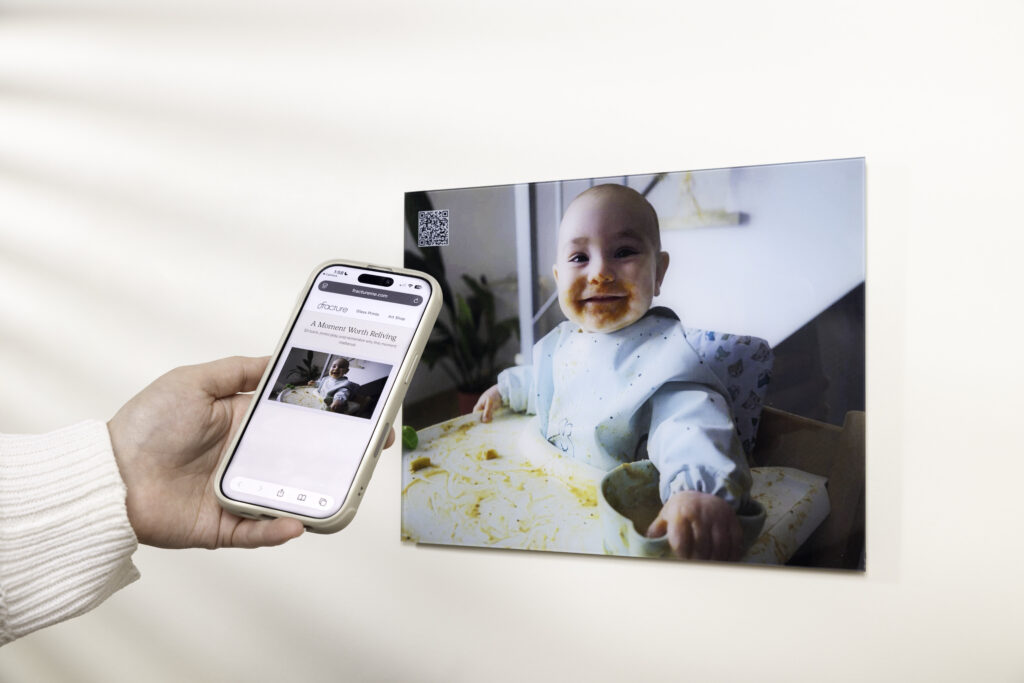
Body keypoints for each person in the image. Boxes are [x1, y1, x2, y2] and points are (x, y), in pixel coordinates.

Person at [0, 355, 393, 646]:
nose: (338, 371)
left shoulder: (343, 387)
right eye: (336, 367)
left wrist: (122, 472)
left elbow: (341, 399)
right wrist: (124, 469)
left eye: (342, 368)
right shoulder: (319, 381)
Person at [474, 184, 763, 562]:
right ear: (559, 277)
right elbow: (545, 383)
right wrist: (506, 389)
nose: (599, 273)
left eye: (623, 252)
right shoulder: (563, 342)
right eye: (580, 257)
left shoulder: (664, 356)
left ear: (658, 272)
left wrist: (696, 489)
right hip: (546, 494)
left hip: (607, 516)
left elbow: (688, 422)